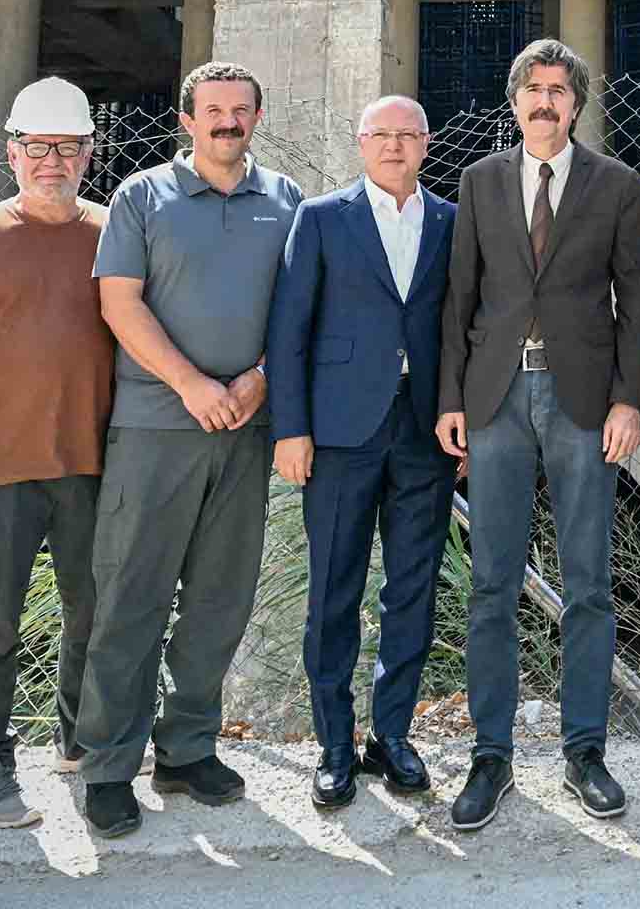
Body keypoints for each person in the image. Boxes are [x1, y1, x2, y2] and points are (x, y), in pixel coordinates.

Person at [76, 61, 303, 840]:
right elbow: (118, 302)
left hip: (245, 429)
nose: (227, 122)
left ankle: (186, 748)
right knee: (133, 596)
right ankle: (108, 765)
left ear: (258, 116)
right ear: (187, 120)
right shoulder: (141, 197)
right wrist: (191, 385)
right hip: (155, 427)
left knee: (219, 598)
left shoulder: (285, 201)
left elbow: (297, 306)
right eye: (213, 111)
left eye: (241, 110)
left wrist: (261, 381)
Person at [437, 38, 640, 831]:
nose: (545, 101)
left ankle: (584, 751)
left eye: (559, 89)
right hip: (494, 400)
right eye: (533, 87)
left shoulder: (618, 185)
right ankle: (490, 758)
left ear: (577, 103)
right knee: (493, 581)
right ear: (515, 99)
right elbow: (460, 296)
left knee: (588, 584)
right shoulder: (479, 181)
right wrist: (449, 398)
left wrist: (629, 400)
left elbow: (638, 296)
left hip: (583, 401)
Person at [267, 94, 458, 810]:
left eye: (408, 135)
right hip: (341, 430)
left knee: (412, 587)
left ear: (426, 144)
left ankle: (394, 735)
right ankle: (335, 745)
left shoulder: (450, 220)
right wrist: (292, 428)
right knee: (333, 589)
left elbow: (459, 324)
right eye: (381, 134)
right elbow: (289, 328)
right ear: (360, 143)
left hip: (423, 430)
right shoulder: (320, 218)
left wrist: (455, 410)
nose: (394, 146)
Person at [0, 77, 116, 833]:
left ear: (89, 152)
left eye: (69, 147)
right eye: (38, 147)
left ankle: (78, 743)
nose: (54, 160)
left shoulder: (117, 234)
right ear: (13, 152)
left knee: (94, 610)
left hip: (90, 463)